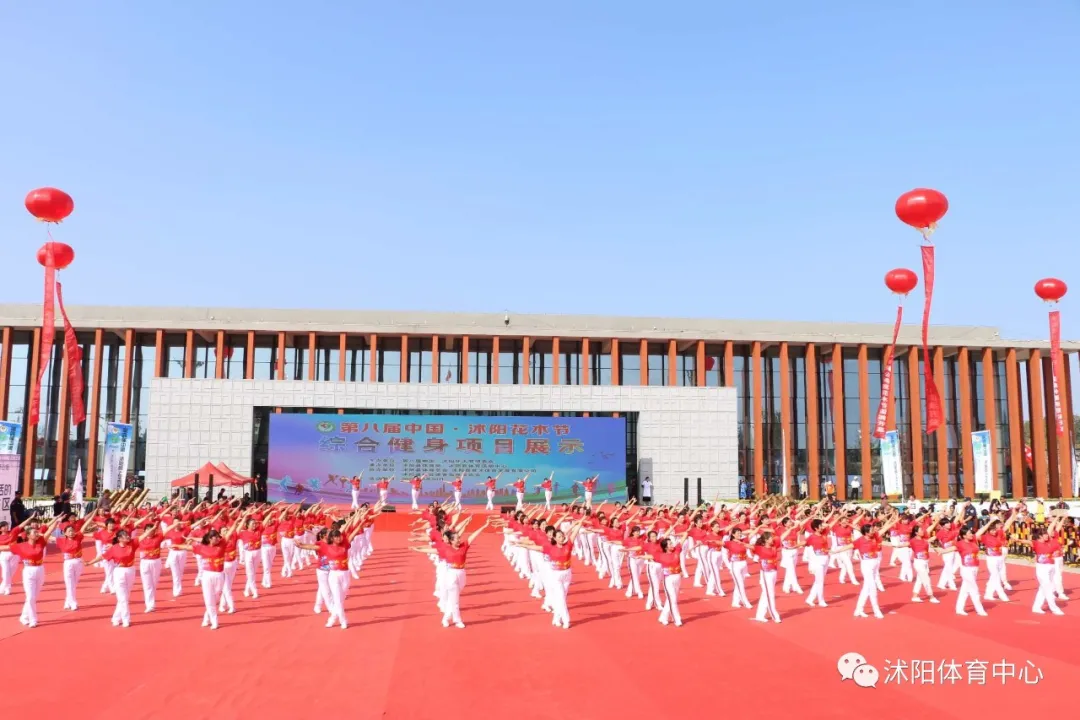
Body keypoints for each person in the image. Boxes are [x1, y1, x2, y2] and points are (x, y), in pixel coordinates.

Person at [411, 519, 492, 628]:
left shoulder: (464, 546)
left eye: (459, 538)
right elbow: (431, 550)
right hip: (451, 574)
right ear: (451, 541)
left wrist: (484, 526)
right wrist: (417, 549)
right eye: (457, 539)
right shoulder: (445, 549)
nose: (459, 540)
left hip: (462, 573)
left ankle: (445, 618)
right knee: (455, 599)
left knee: (453, 598)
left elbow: (473, 536)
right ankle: (457, 620)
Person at [0, 517, 61, 627]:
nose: (37, 534)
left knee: (33, 597)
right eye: (34, 532)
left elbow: (48, 531)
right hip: (28, 571)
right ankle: (33, 619)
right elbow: (4, 548)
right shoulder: (20, 546)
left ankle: (24, 616)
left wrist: (56, 522)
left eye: (37, 532)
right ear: (28, 535)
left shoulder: (41, 542)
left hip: (40, 570)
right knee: (30, 597)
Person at [84, 529, 139, 627]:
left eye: (127, 535)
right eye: (125, 536)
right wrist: (90, 562)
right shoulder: (114, 548)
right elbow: (102, 557)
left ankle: (116, 618)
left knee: (125, 597)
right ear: (119, 539)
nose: (127, 537)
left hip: (131, 570)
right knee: (122, 598)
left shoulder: (133, 544)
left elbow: (143, 536)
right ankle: (126, 619)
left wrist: (152, 528)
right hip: (119, 572)